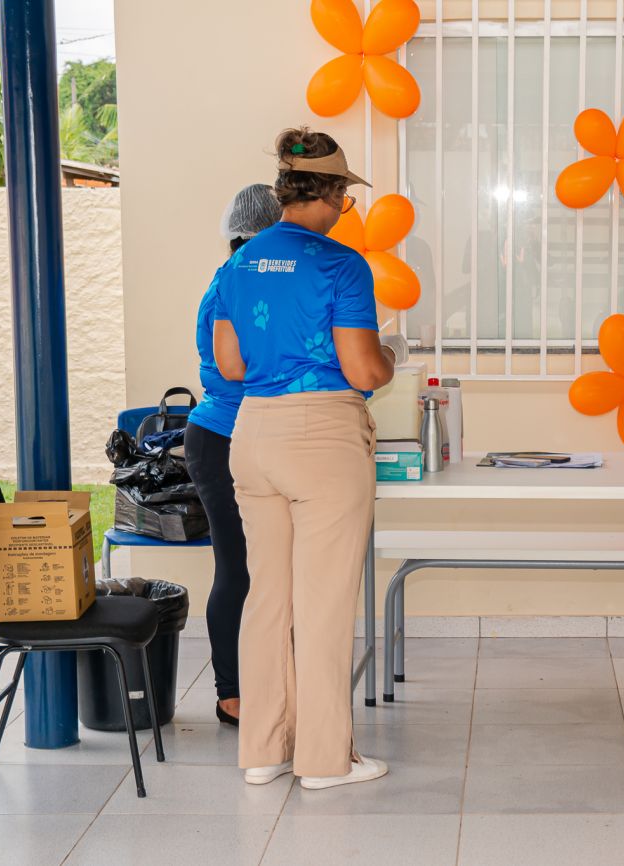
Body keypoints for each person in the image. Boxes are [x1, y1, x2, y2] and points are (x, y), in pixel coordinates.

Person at [212, 127, 395, 789]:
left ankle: (264, 751)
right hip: (321, 439)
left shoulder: (236, 266)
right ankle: (323, 761)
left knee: (267, 599)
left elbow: (231, 366)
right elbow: (363, 369)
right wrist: (389, 358)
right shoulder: (342, 265)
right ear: (336, 194)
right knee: (323, 605)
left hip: (253, 434)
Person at [185, 183, 282, 726]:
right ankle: (231, 695)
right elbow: (239, 369)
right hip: (222, 438)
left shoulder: (257, 278)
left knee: (267, 570)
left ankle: (266, 682)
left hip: (258, 434)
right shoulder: (235, 283)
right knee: (238, 568)